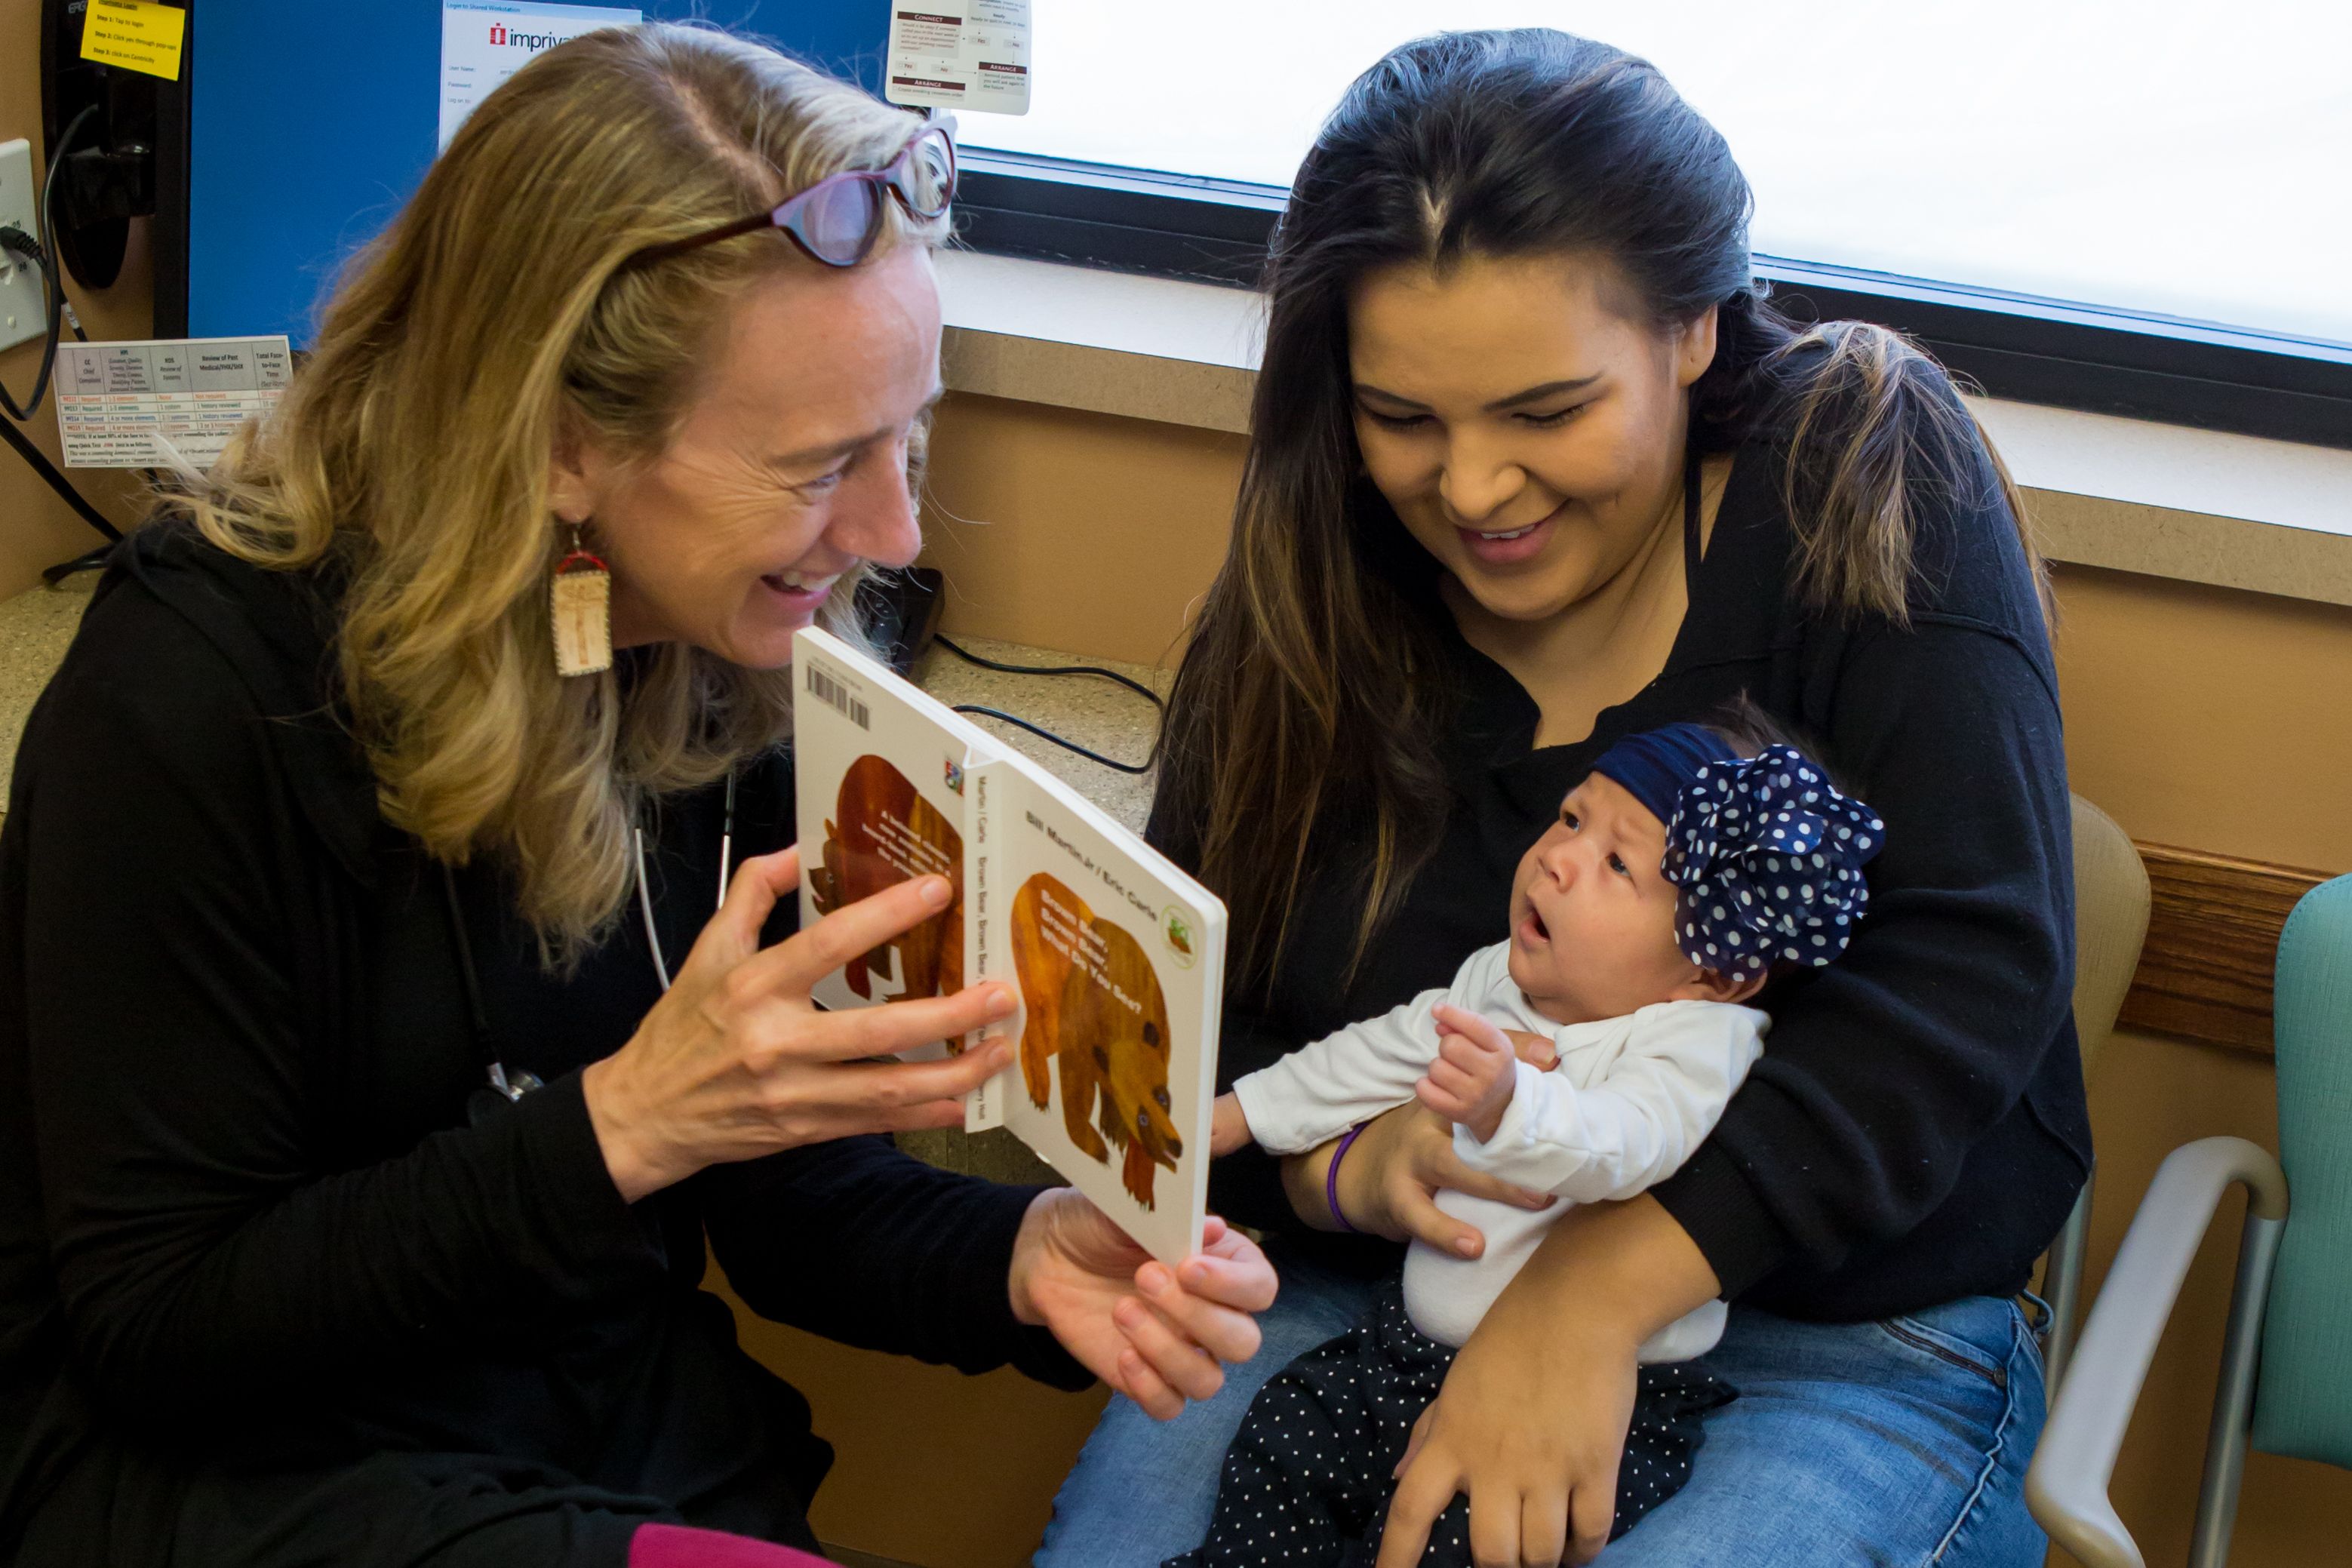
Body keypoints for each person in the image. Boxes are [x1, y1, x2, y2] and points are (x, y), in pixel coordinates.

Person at [0, 26, 1273, 1568]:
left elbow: (780, 1192)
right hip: (228, 1471)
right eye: (821, 465)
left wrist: (1016, 1258)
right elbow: (164, 1327)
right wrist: (619, 1122)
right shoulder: (181, 705)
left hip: (570, 1417)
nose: (888, 526)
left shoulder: (727, 659)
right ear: (561, 446)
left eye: (912, 435)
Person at [1037, 27, 2083, 1568]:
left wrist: (1590, 1296)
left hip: (1826, 1340)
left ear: (1692, 332)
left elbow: (1963, 978)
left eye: (1543, 412)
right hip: (1372, 1287)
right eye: (1404, 418)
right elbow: (1214, 1024)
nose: (1469, 490)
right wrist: (1348, 1168)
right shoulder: (1316, 585)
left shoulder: (1861, 481)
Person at [1172, 722, 1882, 1566]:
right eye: (1572, 817)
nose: (1558, 856)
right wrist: (1243, 1111)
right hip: (1403, 1348)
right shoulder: (1500, 978)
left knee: (1465, 1542)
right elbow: (1384, 1047)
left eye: (1619, 863)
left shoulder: (1699, 1040)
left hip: (1593, 1404)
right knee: (1286, 1431)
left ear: (1715, 970)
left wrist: (1515, 1102)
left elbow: (1632, 1145)